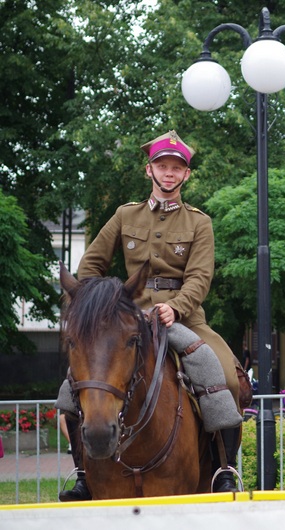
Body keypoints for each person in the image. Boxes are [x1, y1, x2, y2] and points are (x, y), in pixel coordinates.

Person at [58, 130, 242, 501]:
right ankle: (83, 473)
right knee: (70, 390)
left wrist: (176, 307)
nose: (168, 173)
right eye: (162, 166)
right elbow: (91, 265)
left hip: (183, 318)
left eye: (176, 167)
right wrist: (103, 304)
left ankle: (223, 468)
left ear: (186, 174)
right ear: (149, 170)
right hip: (129, 316)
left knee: (224, 375)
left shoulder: (199, 222)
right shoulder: (125, 215)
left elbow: (200, 277)